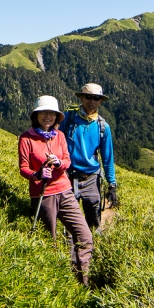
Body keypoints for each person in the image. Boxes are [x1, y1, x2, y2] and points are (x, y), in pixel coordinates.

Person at [18, 95, 93, 285]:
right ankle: (54, 285)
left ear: (56, 117)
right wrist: (36, 174)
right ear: (36, 115)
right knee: (49, 241)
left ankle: (82, 282)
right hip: (43, 195)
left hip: (65, 191)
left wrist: (59, 163)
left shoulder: (59, 136)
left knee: (84, 236)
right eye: (44, 112)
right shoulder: (26, 138)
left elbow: (67, 160)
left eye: (51, 113)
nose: (48, 116)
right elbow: (23, 168)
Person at [61, 83, 118, 232]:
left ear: (100, 101)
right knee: (69, 216)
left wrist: (112, 184)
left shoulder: (103, 127)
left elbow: (107, 158)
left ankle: (92, 242)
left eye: (96, 98)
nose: (92, 101)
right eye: (88, 97)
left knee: (93, 215)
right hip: (68, 174)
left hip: (91, 176)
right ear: (82, 98)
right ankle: (70, 244)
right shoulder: (68, 118)